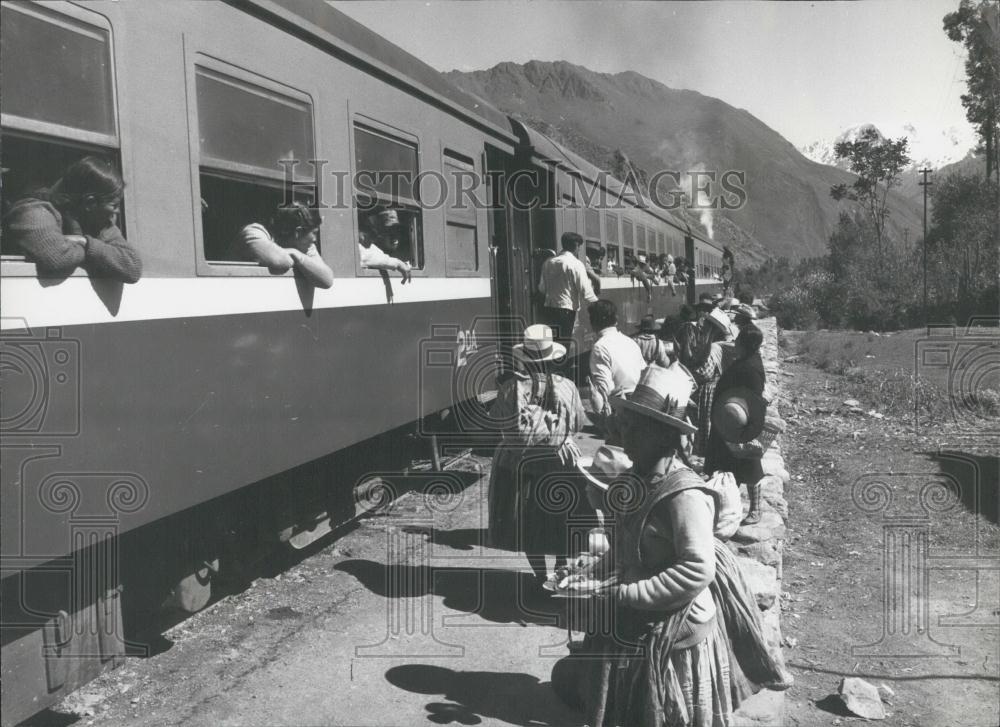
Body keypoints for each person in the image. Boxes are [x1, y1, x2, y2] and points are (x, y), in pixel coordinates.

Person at [550, 361, 791, 726]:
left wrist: (625, 595)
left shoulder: (684, 496)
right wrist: (591, 567)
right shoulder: (637, 477)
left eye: (634, 428)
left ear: (662, 435)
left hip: (678, 615)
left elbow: (696, 568)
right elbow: (624, 544)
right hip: (642, 594)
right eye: (625, 424)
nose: (623, 434)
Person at [487, 324, 587, 584]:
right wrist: (559, 436)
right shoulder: (568, 387)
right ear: (553, 357)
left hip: (518, 467)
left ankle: (540, 576)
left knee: (528, 524)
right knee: (560, 521)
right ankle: (562, 570)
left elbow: (499, 423)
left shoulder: (510, 388)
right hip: (558, 465)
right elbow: (577, 424)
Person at [3, 156, 141, 283]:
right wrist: (100, 252)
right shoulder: (33, 210)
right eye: (114, 205)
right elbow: (56, 257)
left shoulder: (100, 223)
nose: (117, 211)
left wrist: (85, 242)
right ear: (90, 203)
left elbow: (132, 267)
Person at [705, 325, 769, 525]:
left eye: (738, 341)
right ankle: (728, 506)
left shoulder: (749, 368)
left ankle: (755, 509)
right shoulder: (748, 362)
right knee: (732, 463)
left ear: (744, 344)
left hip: (738, 423)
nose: (735, 344)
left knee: (748, 462)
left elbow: (752, 397)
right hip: (730, 419)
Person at [586, 299, 646, 441]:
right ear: (616, 320)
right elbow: (644, 373)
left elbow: (606, 390)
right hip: (642, 407)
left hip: (622, 413)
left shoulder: (599, 347)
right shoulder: (630, 342)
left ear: (593, 323)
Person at [240, 201, 333, 288]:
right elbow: (282, 261)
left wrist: (296, 254)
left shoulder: (304, 245)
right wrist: (295, 255)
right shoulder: (254, 232)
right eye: (314, 233)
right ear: (298, 232)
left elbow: (327, 280)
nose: (315, 239)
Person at [538, 232, 598, 350]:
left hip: (549, 310)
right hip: (566, 312)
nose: (579, 250)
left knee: (552, 345)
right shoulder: (576, 264)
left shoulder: (548, 263)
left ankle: (553, 367)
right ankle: (561, 368)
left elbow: (542, 288)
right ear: (575, 245)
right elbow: (586, 291)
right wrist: (597, 303)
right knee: (563, 346)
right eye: (579, 247)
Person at [691, 308, 734, 458]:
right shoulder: (723, 345)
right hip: (718, 389)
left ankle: (706, 457)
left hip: (708, 391)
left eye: (707, 325)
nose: (703, 327)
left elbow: (705, 373)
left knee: (705, 425)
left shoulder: (714, 348)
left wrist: (690, 370)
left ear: (713, 329)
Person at [358, 208, 412, 303]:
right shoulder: (370, 249)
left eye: (398, 230)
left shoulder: (405, 253)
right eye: (389, 231)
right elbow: (365, 255)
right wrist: (398, 263)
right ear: (379, 234)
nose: (395, 235)